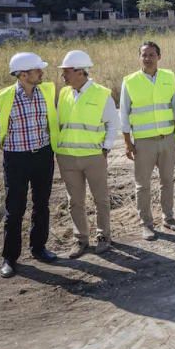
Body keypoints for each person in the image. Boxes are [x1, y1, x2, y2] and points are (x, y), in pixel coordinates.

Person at [0, 52, 60, 278]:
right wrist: (15, 151)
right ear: (23, 74)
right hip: (16, 159)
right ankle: (10, 258)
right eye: (38, 70)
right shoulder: (2, 98)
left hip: (43, 156)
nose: (42, 73)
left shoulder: (46, 92)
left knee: (42, 204)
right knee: (15, 209)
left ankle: (38, 248)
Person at [56, 50, 120, 258]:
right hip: (67, 157)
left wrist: (106, 148)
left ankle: (103, 236)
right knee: (75, 201)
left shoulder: (101, 94)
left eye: (66, 72)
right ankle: (80, 239)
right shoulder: (64, 93)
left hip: (94, 156)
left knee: (100, 198)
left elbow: (113, 123)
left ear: (80, 72)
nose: (63, 76)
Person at [120, 41, 175, 241]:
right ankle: (146, 224)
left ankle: (169, 218)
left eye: (151, 54)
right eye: (144, 55)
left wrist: (172, 132)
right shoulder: (130, 81)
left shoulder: (168, 76)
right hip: (143, 142)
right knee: (143, 186)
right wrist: (128, 142)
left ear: (159, 57)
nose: (147, 58)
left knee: (167, 181)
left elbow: (174, 107)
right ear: (139, 57)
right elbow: (124, 114)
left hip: (166, 140)